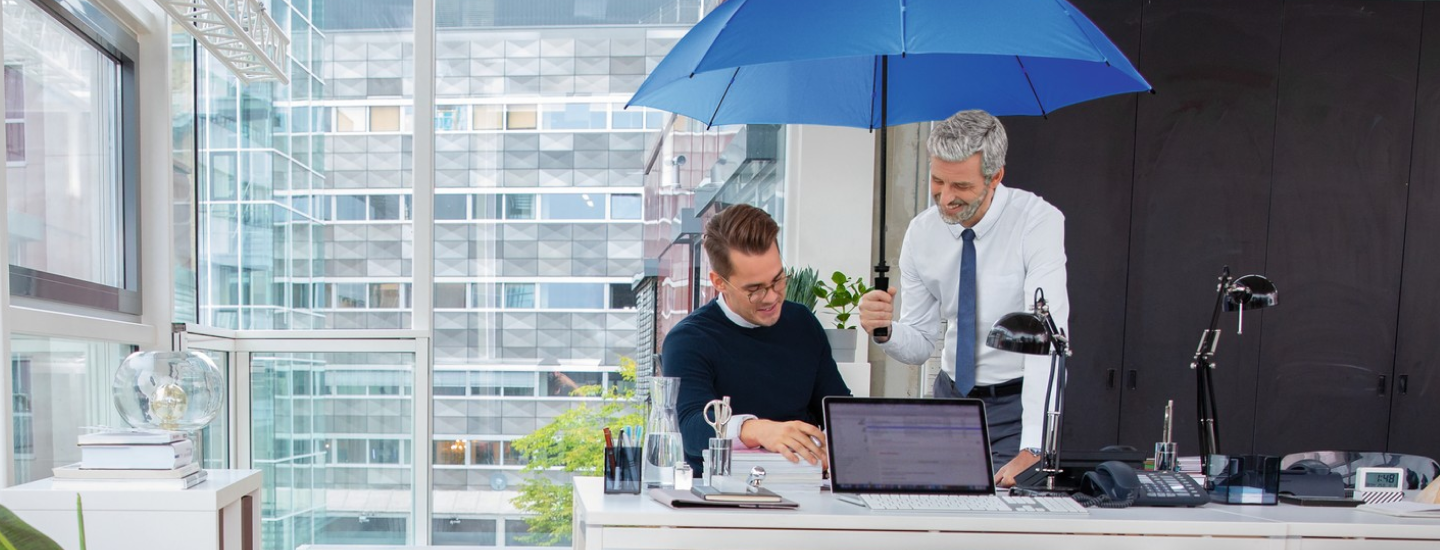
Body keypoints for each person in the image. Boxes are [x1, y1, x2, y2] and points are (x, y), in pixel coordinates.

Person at [859, 109, 1068, 487]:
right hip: (950, 401)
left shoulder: (1037, 222)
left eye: (962, 186)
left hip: (1016, 406)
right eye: (938, 181)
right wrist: (885, 330)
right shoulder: (922, 234)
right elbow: (921, 344)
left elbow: (1048, 342)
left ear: (996, 176)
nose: (946, 199)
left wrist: (1036, 446)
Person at [662, 204, 852, 474]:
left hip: (804, 489)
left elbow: (839, 412)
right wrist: (757, 430)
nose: (772, 297)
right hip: (721, 501)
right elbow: (691, 429)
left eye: (777, 280)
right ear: (719, 282)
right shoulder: (689, 340)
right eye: (754, 289)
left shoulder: (802, 323)